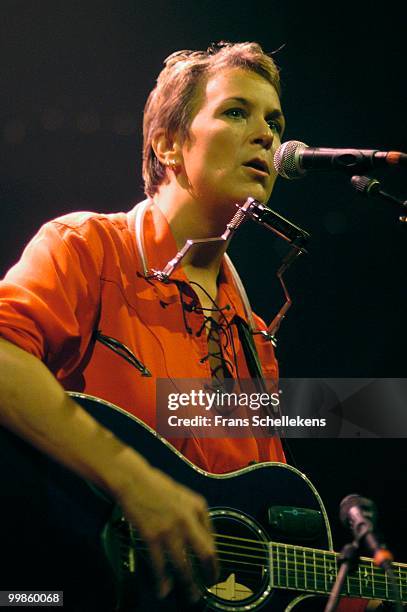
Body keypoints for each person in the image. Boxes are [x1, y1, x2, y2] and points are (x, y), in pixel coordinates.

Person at [0, 42, 382, 610]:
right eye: (236, 112)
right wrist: (135, 482)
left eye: (274, 122)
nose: (267, 136)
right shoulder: (85, 248)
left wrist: (354, 594)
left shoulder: (252, 337)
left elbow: (256, 531)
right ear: (170, 145)